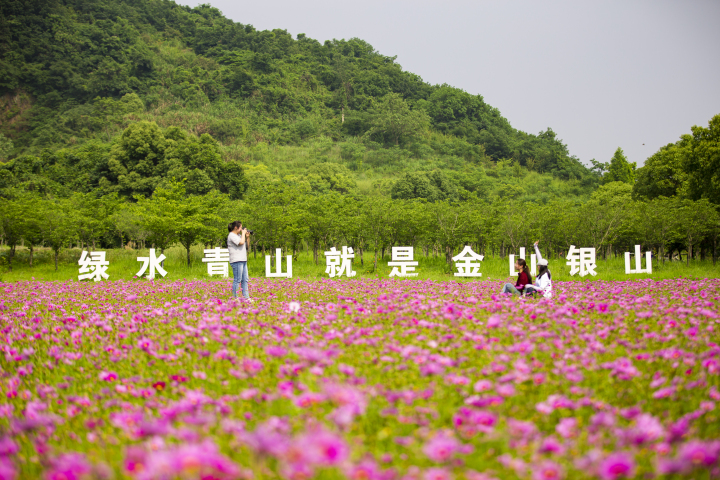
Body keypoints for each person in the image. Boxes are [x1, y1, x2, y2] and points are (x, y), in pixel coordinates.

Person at [227, 220, 251, 300]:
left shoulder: (239, 236)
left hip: (243, 260)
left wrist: (247, 237)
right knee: (237, 280)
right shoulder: (232, 235)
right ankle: (235, 298)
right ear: (235, 227)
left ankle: (246, 298)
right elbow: (240, 243)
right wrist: (243, 234)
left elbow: (247, 246)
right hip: (236, 261)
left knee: (245, 280)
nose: (241, 230)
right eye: (240, 228)